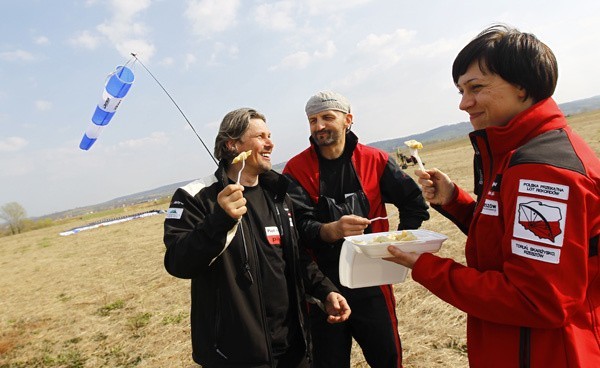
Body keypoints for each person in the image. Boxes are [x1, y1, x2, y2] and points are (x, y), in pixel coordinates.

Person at [385, 24, 600, 367]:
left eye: (476, 88)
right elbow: (511, 239)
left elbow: (537, 299)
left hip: (544, 353)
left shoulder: (542, 171)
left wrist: (426, 266)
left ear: (522, 86)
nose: (463, 103)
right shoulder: (517, 153)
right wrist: (454, 198)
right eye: (460, 90)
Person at [163, 107, 351, 368]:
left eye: (270, 135)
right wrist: (220, 220)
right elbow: (178, 262)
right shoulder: (195, 197)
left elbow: (294, 258)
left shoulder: (279, 195)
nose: (270, 143)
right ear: (232, 145)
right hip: (234, 356)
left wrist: (325, 291)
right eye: (260, 136)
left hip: (293, 349)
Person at [283, 91, 430, 368]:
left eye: (327, 117)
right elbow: (297, 227)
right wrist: (332, 230)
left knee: (387, 358)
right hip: (323, 289)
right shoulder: (296, 169)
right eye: (313, 120)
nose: (319, 126)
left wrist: (397, 244)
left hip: (372, 281)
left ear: (347, 119)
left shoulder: (375, 160)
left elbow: (414, 204)